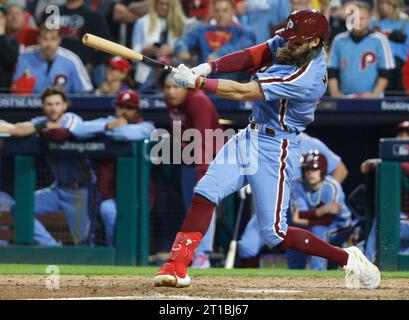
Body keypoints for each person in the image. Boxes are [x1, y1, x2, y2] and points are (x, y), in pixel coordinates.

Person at [153, 9, 381, 290]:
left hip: (277, 147)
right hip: (249, 134)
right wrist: (208, 67)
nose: (288, 44)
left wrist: (197, 83)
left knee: (275, 233)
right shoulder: (294, 45)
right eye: (288, 39)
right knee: (205, 192)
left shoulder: (307, 77)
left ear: (314, 42)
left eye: (296, 41)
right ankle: (176, 265)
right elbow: (253, 54)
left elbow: (244, 92)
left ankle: (347, 258)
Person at [54, 89, 155, 246]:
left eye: (129, 108)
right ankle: (115, 253)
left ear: (137, 110)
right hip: (108, 194)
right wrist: (107, 126)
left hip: (138, 195)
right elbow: (77, 130)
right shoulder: (108, 121)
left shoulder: (147, 126)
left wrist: (104, 130)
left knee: (130, 226)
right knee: (108, 211)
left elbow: (126, 135)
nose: (123, 111)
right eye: (120, 106)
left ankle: (128, 256)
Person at [0, 87, 95, 246]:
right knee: (21, 209)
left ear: (65, 105)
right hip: (57, 189)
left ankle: (94, 268)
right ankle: (52, 248)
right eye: (49, 104)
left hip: (81, 189)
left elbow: (61, 132)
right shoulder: (42, 122)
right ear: (43, 106)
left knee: (83, 240)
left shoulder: (72, 119)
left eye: (57, 104)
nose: (53, 108)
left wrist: (39, 128)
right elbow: (16, 130)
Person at [238, 133, 350, 267]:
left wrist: (320, 196)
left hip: (304, 207)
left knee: (316, 239)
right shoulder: (263, 141)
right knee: (247, 246)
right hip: (273, 206)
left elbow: (341, 169)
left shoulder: (309, 143)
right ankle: (248, 282)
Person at [162, 72, 224, 268]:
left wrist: (203, 172)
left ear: (186, 87)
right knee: (190, 208)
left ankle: (202, 256)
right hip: (190, 161)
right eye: (168, 87)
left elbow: (203, 139)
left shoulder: (198, 101)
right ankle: (193, 251)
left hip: (211, 160)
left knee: (203, 202)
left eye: (176, 87)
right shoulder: (172, 102)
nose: (171, 92)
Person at [361, 120, 409, 261]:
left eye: (408, 134)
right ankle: (367, 263)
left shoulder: (389, 163)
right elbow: (364, 167)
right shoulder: (389, 161)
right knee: (381, 221)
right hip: (400, 218)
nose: (404, 138)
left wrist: (381, 162)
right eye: (401, 135)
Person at [174, 0, 256, 80]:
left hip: (233, 83)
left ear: (233, 11)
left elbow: (241, 47)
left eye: (224, 10)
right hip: (204, 82)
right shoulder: (202, 30)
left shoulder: (245, 32)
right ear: (212, 12)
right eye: (217, 11)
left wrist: (218, 55)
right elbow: (183, 41)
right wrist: (182, 49)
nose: (220, 15)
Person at [328, 1, 395, 98]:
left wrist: (374, 94)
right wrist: (335, 93)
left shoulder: (380, 40)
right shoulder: (339, 40)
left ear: (369, 19)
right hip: (344, 98)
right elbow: (332, 70)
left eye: (362, 18)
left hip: (373, 100)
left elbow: (386, 72)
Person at [42, 0, 112, 88]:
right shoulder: (51, 13)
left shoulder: (94, 16)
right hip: (51, 66)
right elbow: (41, 38)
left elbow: (106, 46)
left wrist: (91, 64)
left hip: (83, 69)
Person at [11, 24, 93, 94]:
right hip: (30, 108)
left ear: (59, 40)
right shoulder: (25, 57)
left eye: (53, 39)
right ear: (38, 39)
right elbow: (16, 90)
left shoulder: (72, 60)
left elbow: (85, 91)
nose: (49, 44)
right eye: (45, 39)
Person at [131, 0, 186, 91]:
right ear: (155, 3)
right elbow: (133, 55)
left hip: (173, 77)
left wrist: (171, 50)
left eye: (168, 4)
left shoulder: (181, 24)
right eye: (161, 3)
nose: (164, 7)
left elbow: (186, 53)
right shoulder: (142, 22)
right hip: (145, 75)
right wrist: (145, 51)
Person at [371, 0, 409, 94]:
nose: (384, 6)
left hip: (400, 66)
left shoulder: (405, 22)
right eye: (382, 3)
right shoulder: (372, 22)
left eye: (388, 3)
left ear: (395, 5)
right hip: (377, 65)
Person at [0, 5, 19, 92]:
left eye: (1, 17)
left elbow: (11, 60)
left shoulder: (11, 40)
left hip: (4, 90)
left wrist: (1, 35)